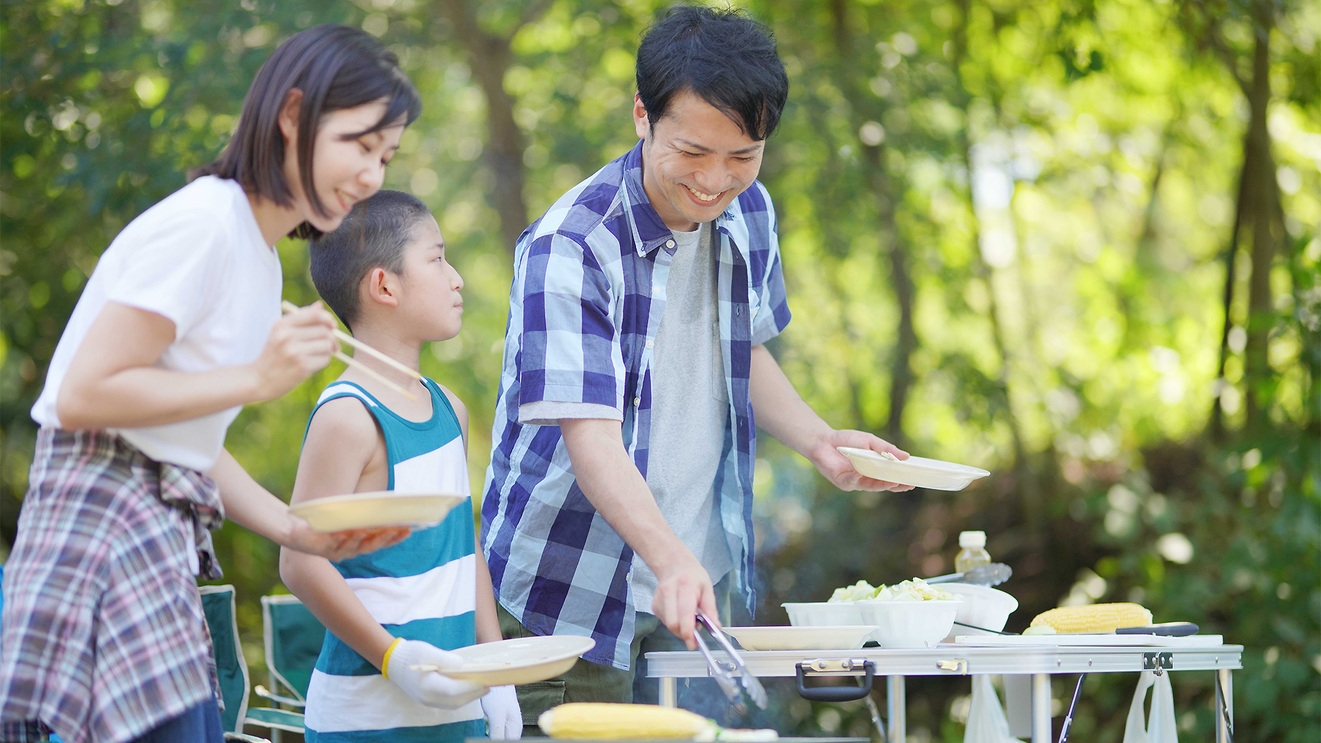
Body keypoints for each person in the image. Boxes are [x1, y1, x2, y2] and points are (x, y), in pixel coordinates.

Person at [480, 4, 913, 723]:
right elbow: (590, 439)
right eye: (693, 152)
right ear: (641, 117)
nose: (715, 180)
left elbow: (740, 349)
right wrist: (668, 556)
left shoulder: (748, 213)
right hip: (569, 590)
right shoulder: (572, 245)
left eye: (742, 156)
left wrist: (817, 438)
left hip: (697, 584)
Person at [0, 25, 422, 743]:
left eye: (386, 154)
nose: (372, 175)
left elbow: (185, 439)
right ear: (292, 117)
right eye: (358, 143)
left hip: (154, 526)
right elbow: (83, 395)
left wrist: (300, 529)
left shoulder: (254, 256)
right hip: (102, 520)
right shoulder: (204, 225)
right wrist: (256, 376)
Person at [280, 190, 521, 741]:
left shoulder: (450, 410)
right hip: (366, 719)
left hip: (457, 707)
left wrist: (496, 668)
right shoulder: (348, 417)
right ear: (384, 285)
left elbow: (466, 550)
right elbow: (299, 564)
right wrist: (395, 660)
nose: (455, 278)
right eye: (436, 259)